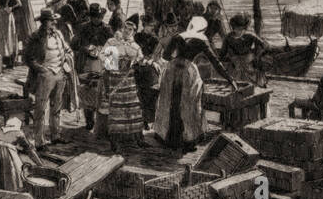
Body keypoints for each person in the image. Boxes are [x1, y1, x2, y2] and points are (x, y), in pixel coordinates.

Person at [154, 16, 236, 151]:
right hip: (188, 72)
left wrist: (177, 58)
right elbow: (215, 62)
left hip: (172, 70)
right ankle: (188, 140)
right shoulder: (202, 40)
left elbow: (165, 57)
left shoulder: (178, 36)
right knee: (189, 104)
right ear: (202, 29)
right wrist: (230, 79)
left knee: (170, 101)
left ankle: (169, 138)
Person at [0, 116, 65, 194]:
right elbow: (30, 151)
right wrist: (40, 165)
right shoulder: (19, 133)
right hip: (5, 154)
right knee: (11, 174)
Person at [24, 9, 74, 147]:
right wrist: (42, 70)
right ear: (44, 22)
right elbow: (28, 58)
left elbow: (66, 48)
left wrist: (68, 57)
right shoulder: (35, 37)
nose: (54, 23)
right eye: (51, 21)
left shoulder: (58, 34)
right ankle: (39, 141)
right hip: (45, 76)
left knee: (56, 106)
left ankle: (55, 135)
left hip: (60, 74)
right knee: (40, 109)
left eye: (54, 20)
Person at [102, 18, 146, 152]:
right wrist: (111, 62)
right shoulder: (112, 42)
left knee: (133, 110)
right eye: (125, 28)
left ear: (134, 31)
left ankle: (139, 139)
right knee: (116, 111)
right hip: (116, 79)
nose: (127, 31)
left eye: (130, 29)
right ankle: (114, 143)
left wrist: (136, 61)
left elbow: (141, 58)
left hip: (129, 82)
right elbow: (102, 55)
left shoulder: (135, 46)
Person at [73, 3, 112, 130]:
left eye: (99, 17)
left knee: (101, 91)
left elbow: (112, 46)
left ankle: (101, 121)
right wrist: (86, 48)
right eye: (94, 17)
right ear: (91, 17)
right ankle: (89, 120)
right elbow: (74, 44)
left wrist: (102, 49)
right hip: (87, 63)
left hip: (101, 62)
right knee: (86, 90)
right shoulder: (83, 28)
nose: (97, 19)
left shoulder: (107, 29)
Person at [219, 12, 268, 84]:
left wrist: (258, 55)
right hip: (235, 60)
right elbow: (222, 53)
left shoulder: (250, 35)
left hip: (248, 59)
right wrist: (229, 58)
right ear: (233, 27)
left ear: (245, 28)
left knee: (250, 72)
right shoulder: (228, 37)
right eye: (236, 29)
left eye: (241, 29)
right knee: (236, 73)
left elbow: (264, 45)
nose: (239, 31)